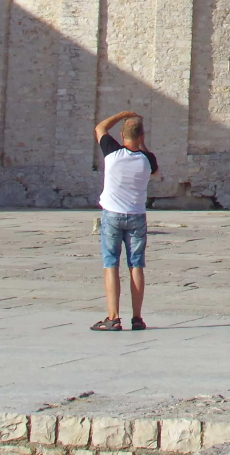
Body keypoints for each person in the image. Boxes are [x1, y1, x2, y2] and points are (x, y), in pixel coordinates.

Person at [93, 109, 157, 331]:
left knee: (111, 263)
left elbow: (100, 128)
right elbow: (154, 168)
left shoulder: (112, 153)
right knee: (136, 265)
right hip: (137, 215)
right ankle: (137, 318)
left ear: (121, 135)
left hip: (112, 215)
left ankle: (113, 317)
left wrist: (122, 115)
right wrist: (143, 144)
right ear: (142, 136)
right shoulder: (148, 160)